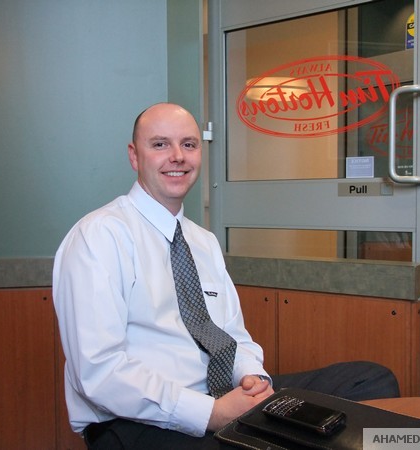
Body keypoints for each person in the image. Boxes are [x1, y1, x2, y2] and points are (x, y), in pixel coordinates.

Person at [52, 102, 399, 449]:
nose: (178, 156)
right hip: (138, 423)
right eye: (160, 144)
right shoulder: (99, 236)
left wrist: (252, 379)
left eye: (188, 144)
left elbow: (233, 337)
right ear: (134, 155)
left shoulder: (203, 242)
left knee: (370, 381)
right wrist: (210, 413)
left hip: (223, 397)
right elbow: (99, 372)